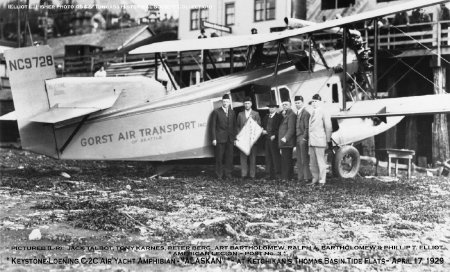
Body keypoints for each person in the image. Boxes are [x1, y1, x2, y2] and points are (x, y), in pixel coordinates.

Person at [307, 94, 332, 187]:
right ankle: (315, 179)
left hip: (320, 141)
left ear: (320, 102)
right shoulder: (312, 112)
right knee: (312, 163)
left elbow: (328, 127)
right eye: (312, 101)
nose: (314, 103)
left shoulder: (323, 111)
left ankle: (322, 181)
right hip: (312, 141)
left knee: (321, 162)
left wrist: (328, 140)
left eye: (316, 101)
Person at [211, 94, 236, 179]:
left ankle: (228, 174)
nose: (225, 103)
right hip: (220, 139)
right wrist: (214, 138)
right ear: (222, 102)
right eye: (224, 101)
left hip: (230, 139)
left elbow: (234, 126)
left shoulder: (232, 112)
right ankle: (219, 175)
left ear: (229, 102)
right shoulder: (216, 112)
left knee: (229, 157)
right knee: (219, 157)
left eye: (227, 101)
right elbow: (213, 126)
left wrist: (235, 138)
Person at [236, 97, 261, 179]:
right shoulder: (240, 114)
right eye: (245, 103)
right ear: (244, 104)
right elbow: (238, 127)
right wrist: (240, 136)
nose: (247, 105)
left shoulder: (255, 114)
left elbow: (259, 126)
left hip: (252, 140)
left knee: (252, 158)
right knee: (243, 158)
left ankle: (252, 175)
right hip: (243, 140)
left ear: (251, 104)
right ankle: (244, 174)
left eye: (248, 103)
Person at [262, 102, 282, 179]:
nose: (271, 109)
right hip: (267, 139)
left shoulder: (279, 117)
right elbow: (262, 126)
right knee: (268, 157)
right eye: (270, 108)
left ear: (275, 108)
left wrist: (275, 135)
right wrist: (263, 131)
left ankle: (277, 174)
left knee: (275, 157)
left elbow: (280, 128)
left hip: (274, 140)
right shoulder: (266, 117)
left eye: (273, 107)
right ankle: (268, 174)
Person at [294, 95, 312, 183]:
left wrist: (304, 138)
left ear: (302, 103)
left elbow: (307, 128)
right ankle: (300, 177)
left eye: (299, 103)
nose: (297, 104)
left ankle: (307, 177)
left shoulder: (306, 113)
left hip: (302, 138)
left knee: (304, 158)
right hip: (297, 138)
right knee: (299, 158)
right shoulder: (297, 113)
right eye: (296, 103)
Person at [278, 99, 296, 181]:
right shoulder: (285, 114)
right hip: (283, 141)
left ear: (290, 105)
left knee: (286, 160)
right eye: (283, 104)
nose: (284, 106)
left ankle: (285, 177)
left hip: (287, 142)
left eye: (286, 104)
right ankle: (289, 176)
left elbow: (291, 129)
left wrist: (286, 138)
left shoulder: (291, 115)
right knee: (286, 159)